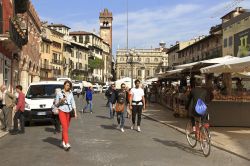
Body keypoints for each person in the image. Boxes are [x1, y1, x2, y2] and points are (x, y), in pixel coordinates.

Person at [55, 80, 77, 151]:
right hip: (61, 110)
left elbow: (73, 102)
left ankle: (62, 141)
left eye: (69, 86)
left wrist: (75, 112)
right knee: (64, 126)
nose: (68, 87)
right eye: (67, 85)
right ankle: (67, 143)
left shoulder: (71, 93)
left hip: (69, 111)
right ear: (64, 85)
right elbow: (56, 104)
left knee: (66, 128)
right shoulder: (59, 93)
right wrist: (61, 101)